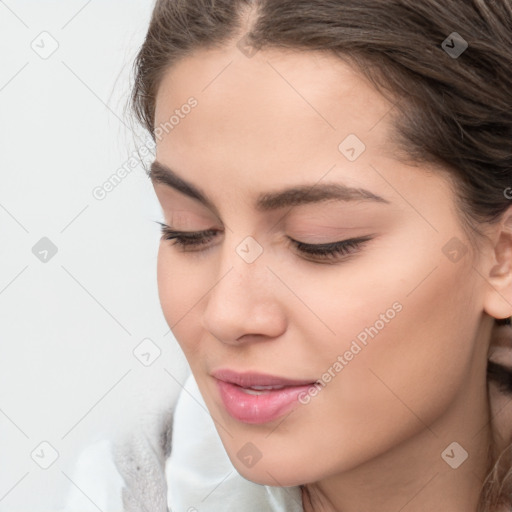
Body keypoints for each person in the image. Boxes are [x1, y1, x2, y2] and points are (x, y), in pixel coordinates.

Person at [68, 1, 512, 511]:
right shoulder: (121, 493)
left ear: (503, 256)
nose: (226, 314)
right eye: (190, 231)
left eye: (318, 241)